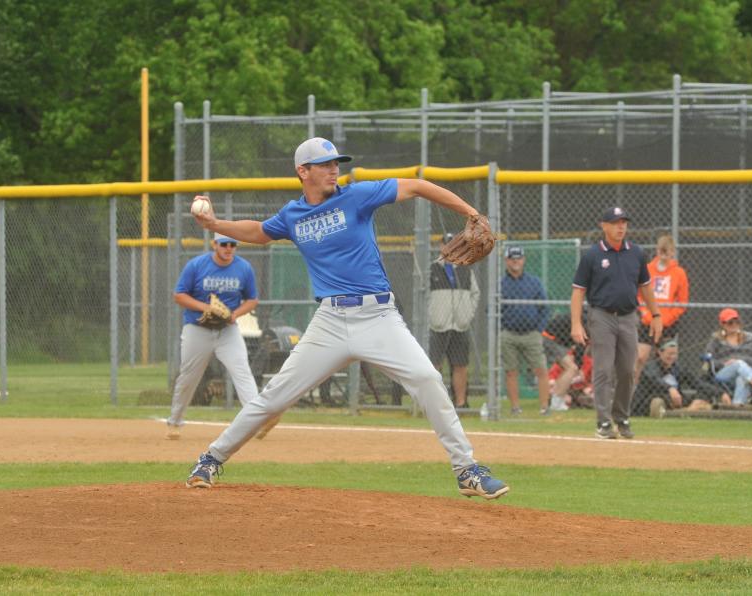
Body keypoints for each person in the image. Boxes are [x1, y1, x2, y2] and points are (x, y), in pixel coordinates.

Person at [184, 137, 509, 499]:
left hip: (378, 316)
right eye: (324, 164)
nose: (333, 169)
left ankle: (466, 470)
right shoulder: (292, 215)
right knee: (274, 397)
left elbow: (417, 185)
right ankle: (210, 459)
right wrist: (214, 225)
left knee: (427, 378)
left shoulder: (356, 196)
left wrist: (471, 213)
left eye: (335, 162)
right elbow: (259, 232)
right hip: (331, 321)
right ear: (302, 171)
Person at [571, 207, 662, 440]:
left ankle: (621, 417)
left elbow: (646, 287)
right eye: (615, 222)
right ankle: (603, 422)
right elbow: (578, 292)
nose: (620, 227)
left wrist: (656, 315)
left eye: (623, 222)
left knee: (627, 370)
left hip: (629, 316)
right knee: (602, 370)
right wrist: (576, 324)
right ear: (604, 225)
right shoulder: (593, 255)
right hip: (601, 316)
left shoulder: (636, 253)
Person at [166, 233, 260, 439]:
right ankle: (175, 420)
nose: (229, 248)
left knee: (242, 371)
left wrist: (234, 314)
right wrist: (205, 307)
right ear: (214, 244)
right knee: (189, 376)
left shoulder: (243, 268)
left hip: (227, 330)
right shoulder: (196, 265)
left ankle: (256, 421)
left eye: (233, 244)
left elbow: (252, 300)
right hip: (197, 329)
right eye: (224, 244)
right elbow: (179, 295)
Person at [429, 232, 480, 408]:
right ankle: (436, 403)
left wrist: (467, 315)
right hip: (438, 326)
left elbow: (475, 294)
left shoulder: (466, 268)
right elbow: (423, 297)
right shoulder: (433, 268)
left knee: (460, 365)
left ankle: (460, 402)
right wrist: (433, 315)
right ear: (441, 247)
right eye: (447, 244)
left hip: (459, 325)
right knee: (434, 365)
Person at [500, 246, 552, 416]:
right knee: (511, 371)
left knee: (541, 370)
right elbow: (491, 310)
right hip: (509, 334)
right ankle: (515, 408)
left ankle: (544, 407)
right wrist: (502, 328)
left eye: (519, 258)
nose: (516, 261)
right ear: (506, 261)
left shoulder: (534, 282)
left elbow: (544, 308)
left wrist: (538, 330)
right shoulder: (501, 284)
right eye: (512, 258)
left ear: (524, 260)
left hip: (531, 334)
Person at [635, 235, 689, 383]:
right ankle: (632, 391)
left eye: (668, 250)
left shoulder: (679, 273)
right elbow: (638, 296)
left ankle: (666, 389)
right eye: (661, 250)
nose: (664, 254)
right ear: (657, 251)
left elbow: (682, 302)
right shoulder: (646, 269)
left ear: (673, 252)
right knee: (640, 357)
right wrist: (646, 313)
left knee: (666, 359)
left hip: (668, 324)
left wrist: (668, 318)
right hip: (648, 322)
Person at [704, 308, 752, 407]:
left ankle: (737, 406)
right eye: (730, 323)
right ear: (722, 324)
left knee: (742, 378)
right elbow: (708, 358)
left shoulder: (751, 338)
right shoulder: (716, 340)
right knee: (738, 363)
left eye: (737, 322)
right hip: (726, 372)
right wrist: (723, 363)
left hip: (750, 370)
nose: (734, 325)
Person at [631, 338, 720, 417]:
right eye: (669, 354)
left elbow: (697, 383)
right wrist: (670, 389)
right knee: (657, 399)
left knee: (702, 395)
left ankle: (686, 411)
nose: (672, 357)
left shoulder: (678, 368)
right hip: (649, 401)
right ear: (660, 352)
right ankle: (689, 410)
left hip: (676, 400)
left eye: (675, 354)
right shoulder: (649, 367)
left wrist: (720, 393)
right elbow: (655, 380)